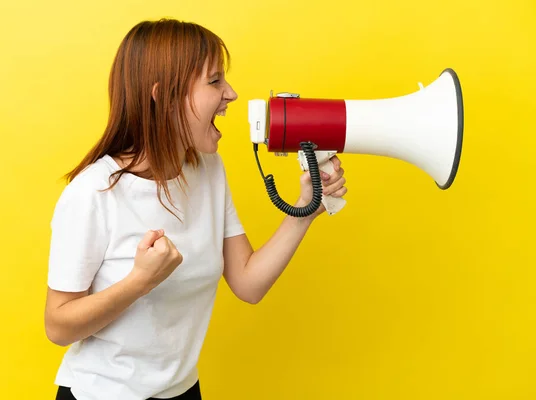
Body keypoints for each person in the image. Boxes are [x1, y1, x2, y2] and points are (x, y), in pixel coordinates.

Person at [44, 18, 347, 400]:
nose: (231, 93)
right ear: (164, 96)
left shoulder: (207, 170)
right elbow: (57, 325)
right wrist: (140, 282)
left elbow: (249, 284)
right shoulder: (94, 191)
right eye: (215, 81)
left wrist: (307, 205)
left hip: (183, 391)